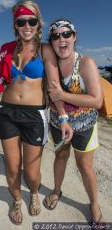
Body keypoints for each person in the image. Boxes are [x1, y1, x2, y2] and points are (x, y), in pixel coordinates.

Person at [0, 1, 73, 225]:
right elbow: (1, 81)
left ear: (38, 24)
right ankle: (17, 200)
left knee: (31, 173)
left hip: (34, 116)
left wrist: (63, 117)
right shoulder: (6, 48)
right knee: (11, 166)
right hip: (7, 112)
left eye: (32, 21)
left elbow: (54, 85)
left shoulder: (45, 49)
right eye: (21, 21)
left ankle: (34, 192)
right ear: (15, 25)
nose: (27, 25)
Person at [44, 19, 105, 225]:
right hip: (58, 123)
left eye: (66, 34)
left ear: (74, 37)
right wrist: (62, 114)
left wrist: (63, 94)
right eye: (55, 36)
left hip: (86, 126)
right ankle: (56, 190)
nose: (61, 39)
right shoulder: (51, 64)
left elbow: (96, 101)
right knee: (60, 157)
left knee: (85, 166)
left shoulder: (86, 62)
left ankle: (94, 203)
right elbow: (52, 95)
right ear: (51, 42)